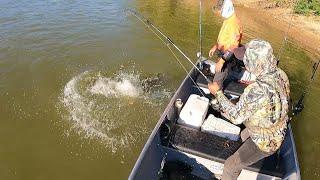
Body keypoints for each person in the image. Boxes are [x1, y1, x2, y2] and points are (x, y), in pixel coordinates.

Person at [208, 39, 290, 180]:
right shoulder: (281, 74)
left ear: (255, 63)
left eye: (246, 59)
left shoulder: (255, 90)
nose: (244, 62)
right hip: (277, 129)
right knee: (243, 137)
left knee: (230, 165)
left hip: (265, 142)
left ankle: (229, 175)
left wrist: (218, 93)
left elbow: (235, 117)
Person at [208, 0, 243, 87]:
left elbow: (234, 47)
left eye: (221, 9)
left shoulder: (234, 24)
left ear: (226, 8)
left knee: (216, 82)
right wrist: (215, 46)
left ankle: (217, 95)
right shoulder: (228, 20)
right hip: (222, 53)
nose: (219, 12)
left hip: (227, 56)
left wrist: (222, 61)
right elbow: (224, 38)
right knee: (218, 72)